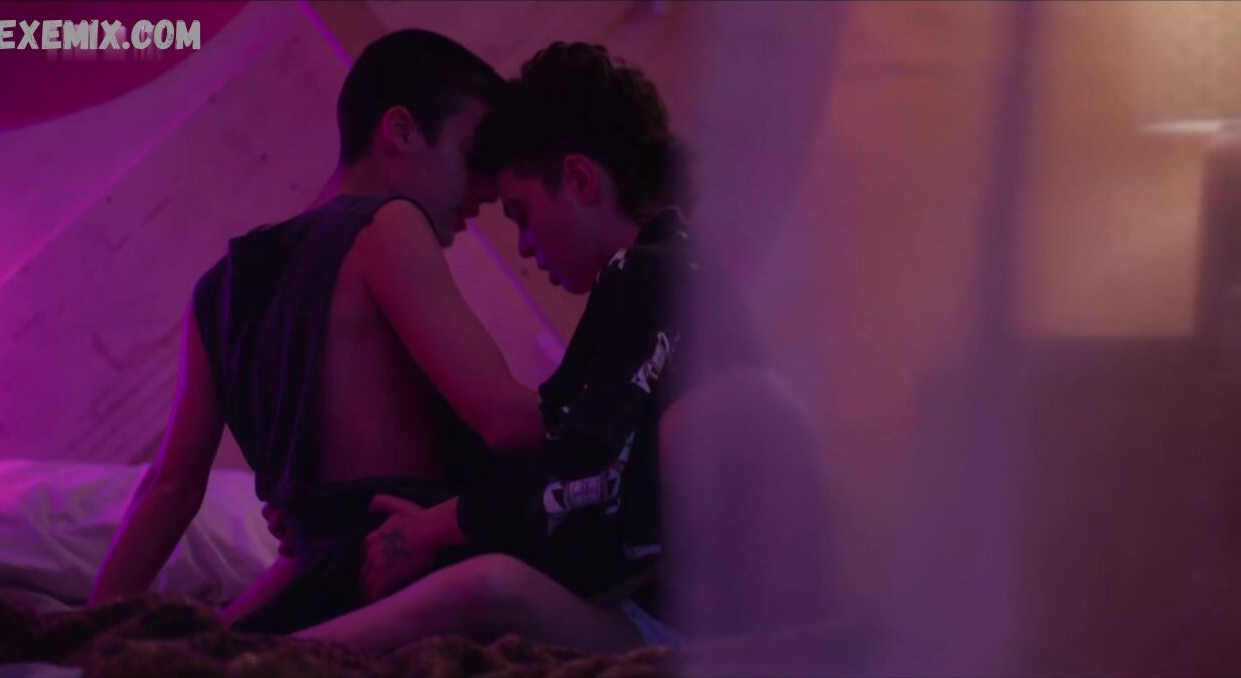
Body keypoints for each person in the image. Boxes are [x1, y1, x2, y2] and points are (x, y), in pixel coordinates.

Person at [293, 41, 764, 653]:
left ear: (579, 180)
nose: (523, 245)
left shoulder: (650, 272)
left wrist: (436, 526)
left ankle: (273, 659)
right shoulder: (674, 270)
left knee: (486, 585)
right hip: (669, 612)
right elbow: (568, 446)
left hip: (684, 633)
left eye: (521, 213)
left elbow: (586, 474)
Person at [89, 29, 545, 634]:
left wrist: (91, 629)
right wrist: (627, 402)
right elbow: (505, 419)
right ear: (402, 130)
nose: (486, 190)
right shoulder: (389, 226)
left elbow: (170, 490)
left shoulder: (217, 292)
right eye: (474, 156)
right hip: (405, 571)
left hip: (313, 581)